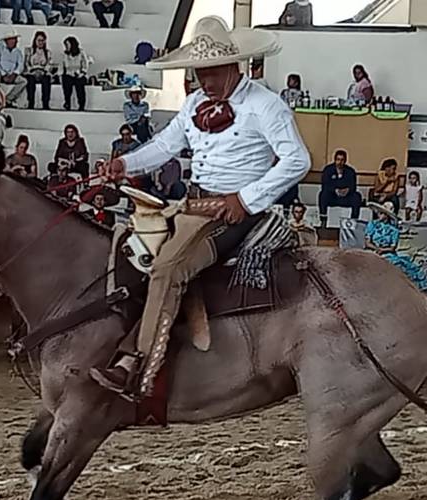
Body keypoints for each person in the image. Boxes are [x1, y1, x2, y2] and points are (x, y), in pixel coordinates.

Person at [90, 16, 309, 398]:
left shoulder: (265, 106)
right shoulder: (194, 104)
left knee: (168, 267)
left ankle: (136, 365)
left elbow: (297, 160)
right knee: (128, 247)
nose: (203, 80)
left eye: (210, 72)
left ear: (233, 65)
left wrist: (245, 199)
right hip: (192, 204)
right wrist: (124, 164)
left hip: (235, 211)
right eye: (198, 72)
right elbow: (164, 147)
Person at [364, 201, 427, 291]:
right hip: (371, 250)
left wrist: (382, 250)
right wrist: (376, 249)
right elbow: (367, 242)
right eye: (379, 213)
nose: (379, 215)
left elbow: (392, 247)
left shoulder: (394, 230)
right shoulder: (372, 225)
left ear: (387, 215)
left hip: (387, 253)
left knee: (397, 265)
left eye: (382, 213)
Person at [318, 149, 362, 225]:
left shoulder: (350, 171)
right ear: (335, 160)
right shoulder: (328, 170)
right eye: (338, 160)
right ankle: (323, 219)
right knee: (323, 194)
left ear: (345, 161)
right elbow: (325, 185)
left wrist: (347, 190)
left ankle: (353, 221)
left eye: (342, 160)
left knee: (357, 196)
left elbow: (353, 187)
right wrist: (335, 190)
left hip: (346, 198)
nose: (340, 162)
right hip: (333, 197)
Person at [0, 30, 28, 107]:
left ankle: (8, 99)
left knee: (24, 81)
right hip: (0, 73)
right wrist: (3, 74)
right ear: (7, 41)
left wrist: (14, 73)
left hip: (12, 74)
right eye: (12, 39)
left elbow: (20, 65)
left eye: (15, 39)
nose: (14, 41)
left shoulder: (18, 52)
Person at [24, 31, 55, 111]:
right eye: (39, 40)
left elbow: (50, 64)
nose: (40, 42)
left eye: (42, 40)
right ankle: (31, 102)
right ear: (35, 40)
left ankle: (45, 103)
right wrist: (33, 71)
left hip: (43, 72)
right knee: (30, 81)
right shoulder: (29, 51)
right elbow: (27, 63)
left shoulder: (48, 52)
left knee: (46, 80)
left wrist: (43, 71)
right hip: (32, 72)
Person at [61, 36, 88, 111]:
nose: (66, 46)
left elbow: (85, 65)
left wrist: (81, 73)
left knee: (80, 84)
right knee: (65, 81)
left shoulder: (81, 53)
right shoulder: (64, 54)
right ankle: (67, 103)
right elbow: (62, 66)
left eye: (67, 44)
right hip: (68, 74)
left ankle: (81, 105)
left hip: (79, 74)